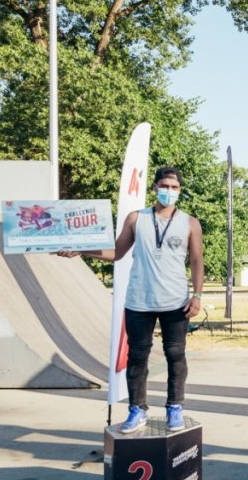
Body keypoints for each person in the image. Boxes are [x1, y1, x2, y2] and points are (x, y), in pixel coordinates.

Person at [58, 167, 204, 433]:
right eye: (164, 186)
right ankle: (137, 409)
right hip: (139, 300)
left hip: (175, 301)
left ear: (180, 190)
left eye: (174, 187)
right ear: (154, 187)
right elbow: (116, 252)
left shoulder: (190, 223)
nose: (169, 191)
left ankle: (174, 407)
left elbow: (196, 261)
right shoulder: (137, 218)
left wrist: (197, 295)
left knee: (175, 355)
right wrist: (81, 250)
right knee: (137, 356)